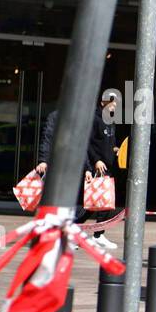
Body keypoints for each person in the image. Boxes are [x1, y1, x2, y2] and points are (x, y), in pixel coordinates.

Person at [37, 92, 118, 248]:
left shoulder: (84, 121)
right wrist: (43, 160)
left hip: (81, 167)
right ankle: (62, 235)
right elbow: (48, 139)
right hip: (61, 167)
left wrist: (87, 168)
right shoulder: (58, 117)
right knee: (74, 203)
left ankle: (81, 234)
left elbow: (81, 146)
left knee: (94, 203)